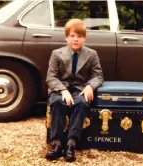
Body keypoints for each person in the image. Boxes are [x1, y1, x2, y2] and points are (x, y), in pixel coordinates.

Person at [45, 19, 103, 162]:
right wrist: (63, 90)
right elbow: (51, 77)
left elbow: (98, 75)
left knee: (81, 104)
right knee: (58, 102)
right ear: (66, 37)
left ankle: (72, 143)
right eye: (72, 36)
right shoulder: (56, 54)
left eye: (79, 36)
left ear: (84, 38)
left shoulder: (92, 54)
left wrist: (90, 86)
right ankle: (57, 143)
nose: (76, 39)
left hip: (80, 89)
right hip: (60, 88)